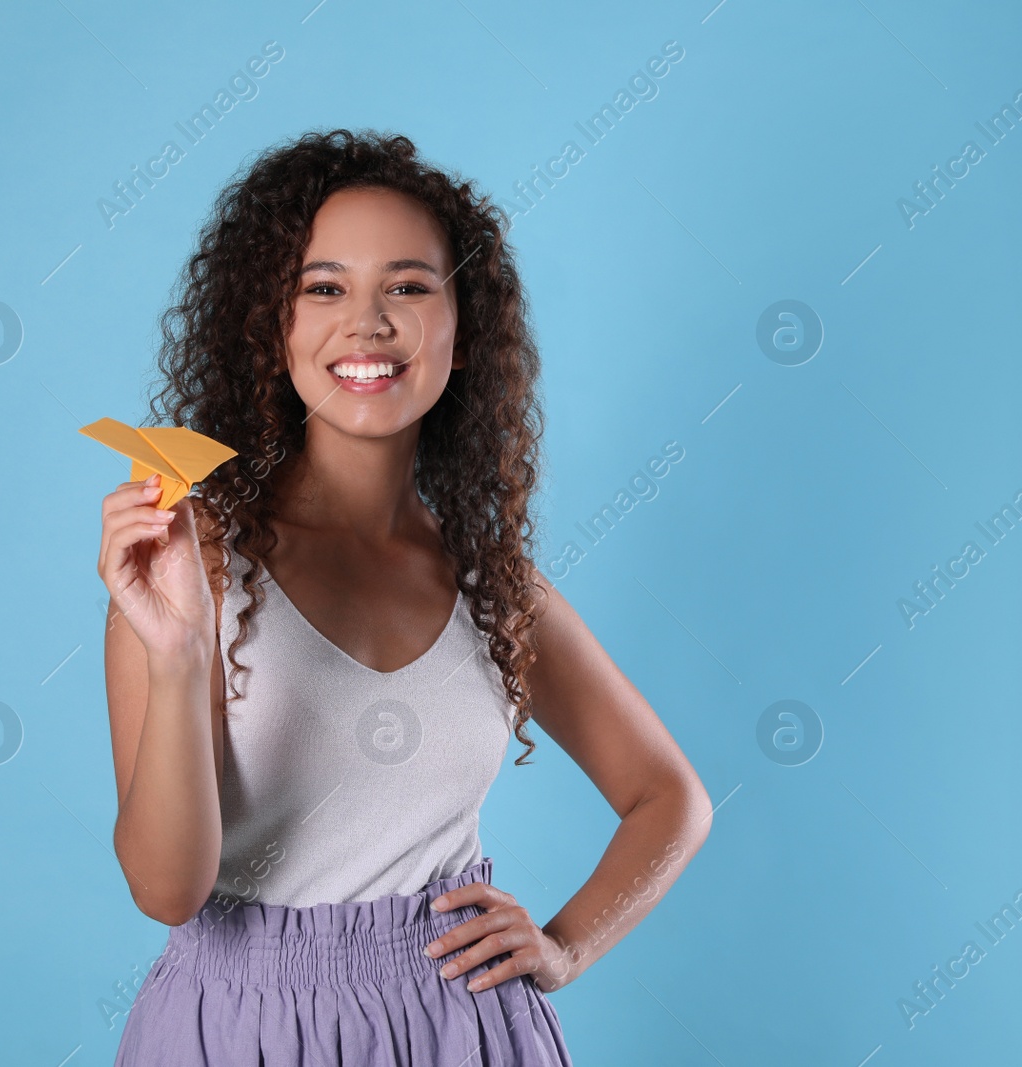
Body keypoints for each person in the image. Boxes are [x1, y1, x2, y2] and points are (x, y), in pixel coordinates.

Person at [95, 128, 712, 1066]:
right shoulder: (193, 562)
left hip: (461, 1023)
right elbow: (166, 890)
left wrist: (566, 944)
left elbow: (670, 797)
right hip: (235, 1028)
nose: (370, 322)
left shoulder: (494, 584)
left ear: (462, 336)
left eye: (411, 286)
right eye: (324, 286)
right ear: (275, 328)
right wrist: (178, 654)